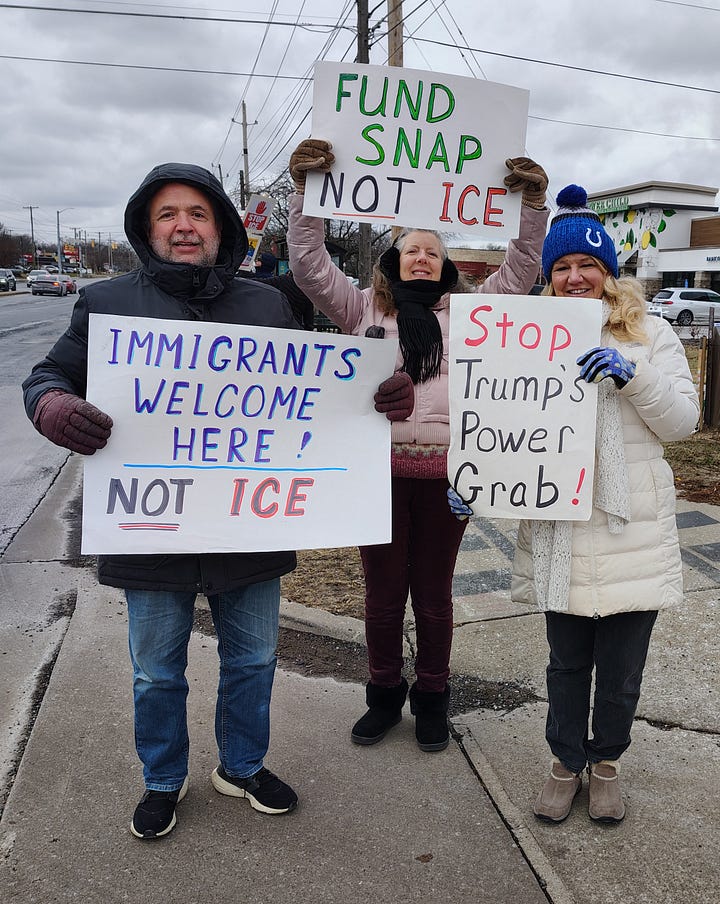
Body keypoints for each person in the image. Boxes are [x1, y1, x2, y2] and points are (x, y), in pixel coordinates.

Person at [22, 163, 303, 840]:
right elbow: (48, 375)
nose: (184, 225)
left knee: (254, 660)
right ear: (148, 230)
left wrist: (375, 401)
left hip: (248, 525)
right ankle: (162, 779)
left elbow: (317, 395)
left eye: (199, 213)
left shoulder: (267, 305)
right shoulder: (108, 302)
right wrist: (53, 405)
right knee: (155, 673)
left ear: (222, 228)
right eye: (169, 214)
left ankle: (241, 766)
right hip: (150, 527)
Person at [286, 137, 549, 752]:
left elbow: (522, 269)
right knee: (380, 599)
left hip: (450, 478)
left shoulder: (476, 313)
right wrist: (305, 192)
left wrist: (531, 205)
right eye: (412, 250)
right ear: (393, 261)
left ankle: (432, 698)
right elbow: (308, 265)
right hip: (375, 476)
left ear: (445, 263)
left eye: (433, 251)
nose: (423, 258)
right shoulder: (360, 311)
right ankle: (382, 697)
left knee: (432, 597)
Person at [449, 184, 700, 822]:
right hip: (559, 528)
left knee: (619, 671)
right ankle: (565, 763)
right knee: (565, 666)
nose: (575, 276)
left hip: (629, 532)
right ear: (549, 276)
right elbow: (506, 427)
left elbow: (682, 424)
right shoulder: (525, 336)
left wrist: (631, 373)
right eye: (562, 266)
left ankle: (608, 763)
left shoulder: (653, 334)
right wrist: (473, 483)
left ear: (609, 272)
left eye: (587, 264)